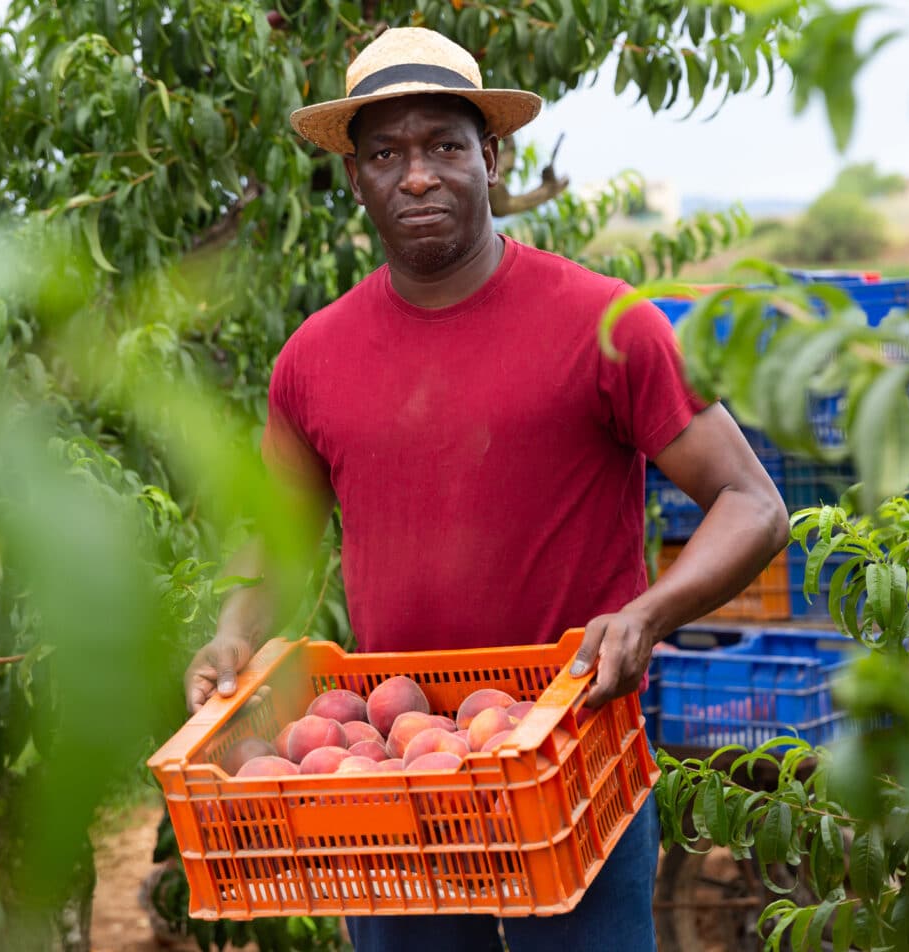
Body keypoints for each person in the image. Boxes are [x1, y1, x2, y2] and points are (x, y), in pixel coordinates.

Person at [184, 26, 788, 952]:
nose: (417, 176)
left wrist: (648, 615)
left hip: (572, 761)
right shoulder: (314, 359)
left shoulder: (605, 323)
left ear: (492, 158)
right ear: (354, 178)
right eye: (385, 154)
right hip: (397, 774)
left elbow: (753, 505)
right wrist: (234, 634)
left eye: (445, 146)